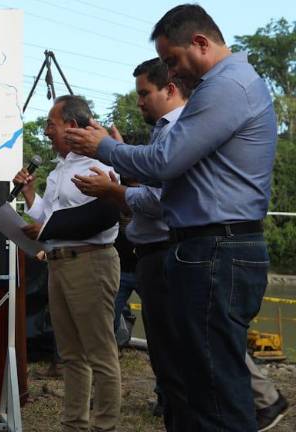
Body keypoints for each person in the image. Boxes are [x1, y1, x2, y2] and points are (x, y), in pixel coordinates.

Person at [66, 5, 277, 431]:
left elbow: (164, 161)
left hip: (216, 248)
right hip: (209, 247)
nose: (174, 76)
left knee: (214, 391)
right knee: (198, 383)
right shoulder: (227, 86)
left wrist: (103, 147)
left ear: (201, 42)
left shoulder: (226, 86)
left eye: (175, 62)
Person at [14, 95, 121, 432]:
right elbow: (47, 217)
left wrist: (47, 228)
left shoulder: (100, 164)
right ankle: (74, 424)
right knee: (71, 355)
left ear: (72, 126)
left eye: (51, 125)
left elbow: (105, 216)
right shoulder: (60, 168)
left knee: (100, 353)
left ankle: (105, 425)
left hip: (91, 263)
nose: (47, 131)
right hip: (58, 264)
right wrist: (29, 193)